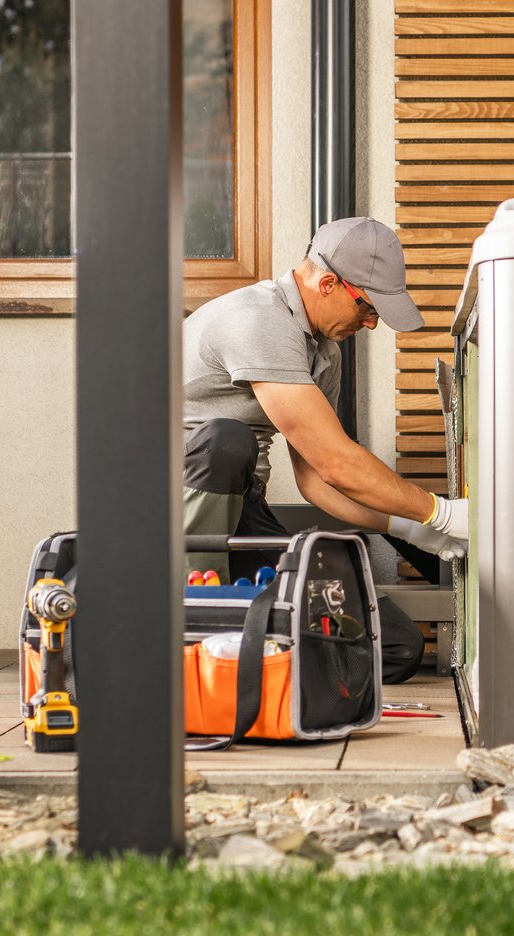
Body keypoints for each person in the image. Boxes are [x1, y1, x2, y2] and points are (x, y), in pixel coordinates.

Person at [182, 218, 470, 684]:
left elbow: (318, 478)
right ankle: (191, 621)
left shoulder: (322, 353)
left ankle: (252, 656)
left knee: (392, 646)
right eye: (368, 308)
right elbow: (338, 462)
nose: (372, 323)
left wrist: (411, 528)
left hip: (238, 510)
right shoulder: (259, 320)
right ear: (328, 282)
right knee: (227, 440)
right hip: (175, 506)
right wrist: (439, 513)